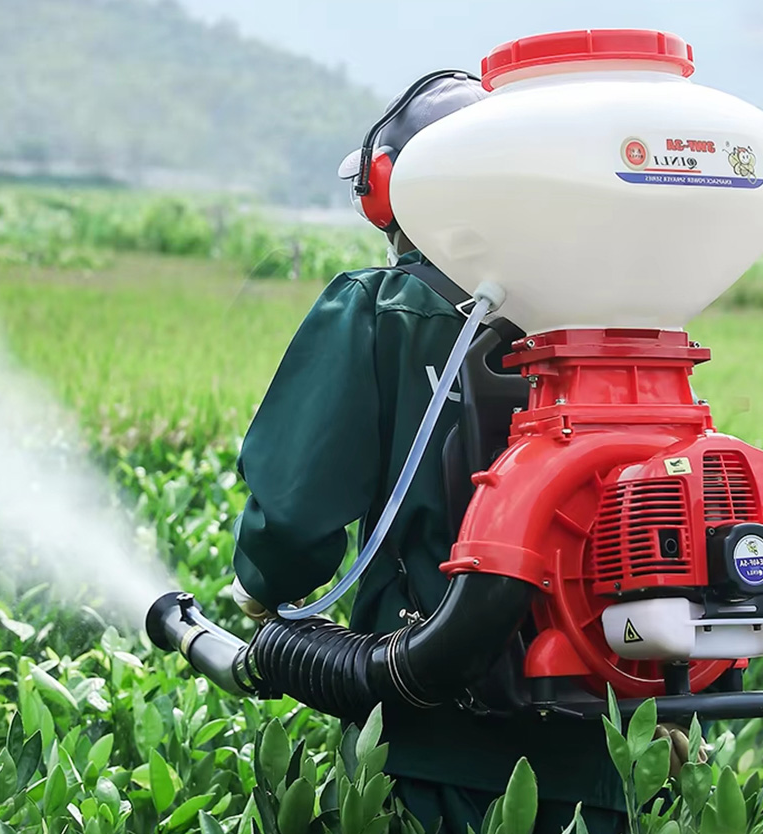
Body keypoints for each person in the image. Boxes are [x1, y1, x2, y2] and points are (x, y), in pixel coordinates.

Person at [226, 72, 641, 834]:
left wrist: (266, 589)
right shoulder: (606, 324)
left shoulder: (385, 309)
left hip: (426, 744)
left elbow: (292, 513)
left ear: (387, 190)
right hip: (603, 751)